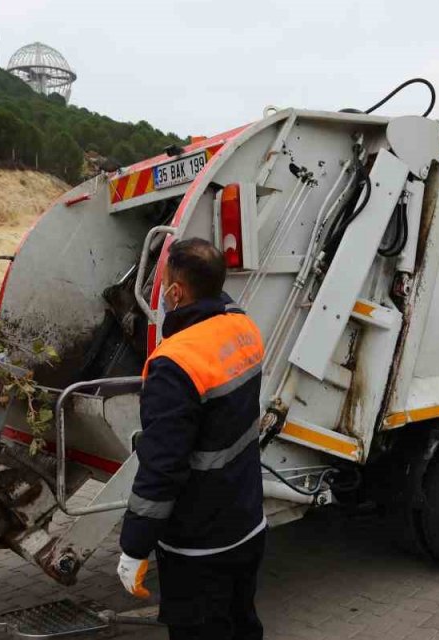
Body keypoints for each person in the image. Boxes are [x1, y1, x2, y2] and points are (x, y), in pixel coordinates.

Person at [116, 238, 266, 640]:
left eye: (165, 283)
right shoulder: (243, 327)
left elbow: (163, 468)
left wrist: (134, 546)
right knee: (242, 623)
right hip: (248, 521)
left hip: (200, 542)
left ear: (175, 292)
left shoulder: (175, 363)